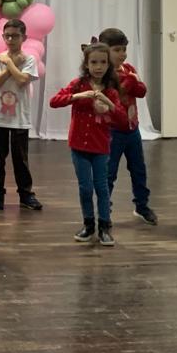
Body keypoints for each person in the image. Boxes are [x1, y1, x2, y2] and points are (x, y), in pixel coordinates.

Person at [49, 41, 128, 247]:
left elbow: (122, 119)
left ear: (108, 65)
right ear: (86, 64)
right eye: (94, 62)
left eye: (103, 62)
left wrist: (108, 103)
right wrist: (77, 96)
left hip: (100, 147)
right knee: (85, 188)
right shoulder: (78, 84)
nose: (98, 67)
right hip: (79, 146)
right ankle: (88, 224)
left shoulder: (111, 90)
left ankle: (105, 226)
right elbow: (54, 101)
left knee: (101, 187)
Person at [98, 27, 156, 225]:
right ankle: (104, 209)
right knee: (109, 172)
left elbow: (141, 91)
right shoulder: (102, 73)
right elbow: (111, 96)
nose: (122, 54)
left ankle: (142, 206)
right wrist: (127, 83)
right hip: (112, 131)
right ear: (105, 50)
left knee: (139, 169)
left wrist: (132, 81)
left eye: (124, 49)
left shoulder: (129, 69)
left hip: (132, 129)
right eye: (117, 50)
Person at [0, 19, 42, 211]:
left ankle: (26, 195)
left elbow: (21, 80)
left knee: (21, 159)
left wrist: (10, 63)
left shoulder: (29, 59)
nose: (10, 40)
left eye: (15, 36)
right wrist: (12, 66)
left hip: (20, 118)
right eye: (7, 36)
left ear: (24, 37)